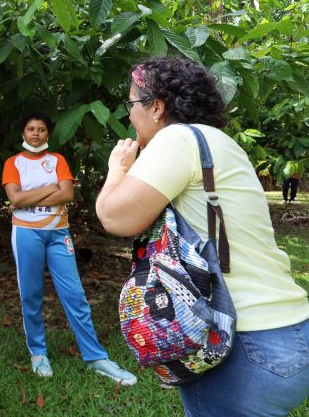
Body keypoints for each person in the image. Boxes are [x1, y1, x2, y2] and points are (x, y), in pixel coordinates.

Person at [95, 57, 309, 416]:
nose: (129, 116)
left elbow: (115, 216)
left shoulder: (177, 139)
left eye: (132, 104)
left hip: (241, 344)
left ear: (157, 107)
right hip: (291, 331)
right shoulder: (219, 143)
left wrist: (116, 170)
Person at [2, 112, 137, 385]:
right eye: (30, 128)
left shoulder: (58, 161)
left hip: (58, 232)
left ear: (48, 134)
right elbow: (14, 197)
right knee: (31, 295)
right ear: (23, 133)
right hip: (26, 233)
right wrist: (48, 189)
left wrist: (30, 197)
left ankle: (95, 357)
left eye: (41, 129)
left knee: (75, 294)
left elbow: (67, 194)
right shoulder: (13, 163)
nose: (36, 133)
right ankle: (38, 353)